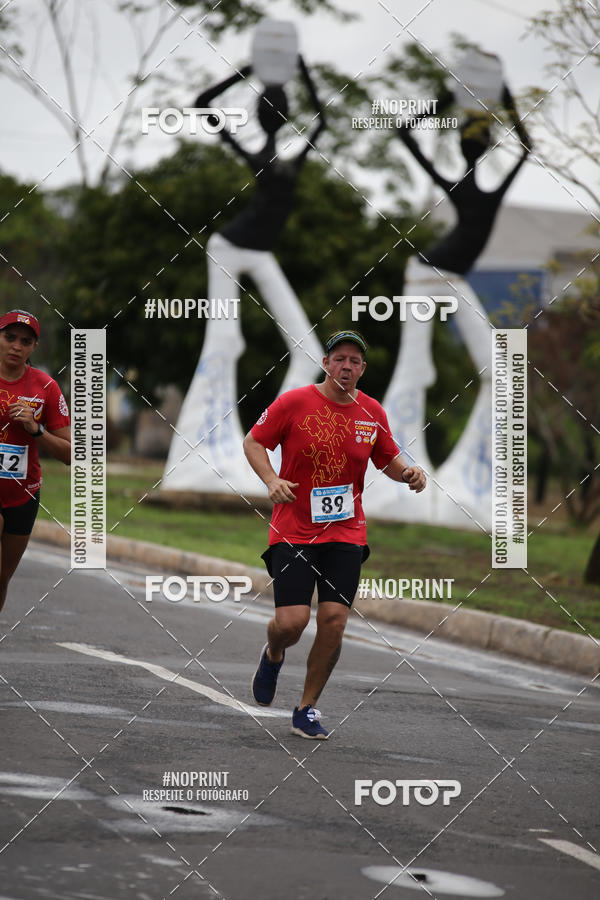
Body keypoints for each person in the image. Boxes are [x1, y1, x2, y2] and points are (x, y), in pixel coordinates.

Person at [243, 330, 426, 739]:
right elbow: (254, 442)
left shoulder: (371, 412)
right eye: (340, 358)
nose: (347, 366)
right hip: (294, 529)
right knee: (291, 623)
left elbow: (388, 459)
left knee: (334, 620)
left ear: (363, 369)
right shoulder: (294, 402)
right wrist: (271, 480)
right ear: (326, 363)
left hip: (346, 531)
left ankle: (307, 707)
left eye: (355, 361)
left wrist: (409, 472)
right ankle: (273, 652)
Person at [0, 310, 70, 611]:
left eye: (25, 341)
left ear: (33, 347)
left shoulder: (46, 388)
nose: (16, 346)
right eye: (10, 337)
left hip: (23, 493)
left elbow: (71, 453)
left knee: (2, 578)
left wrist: (36, 429)